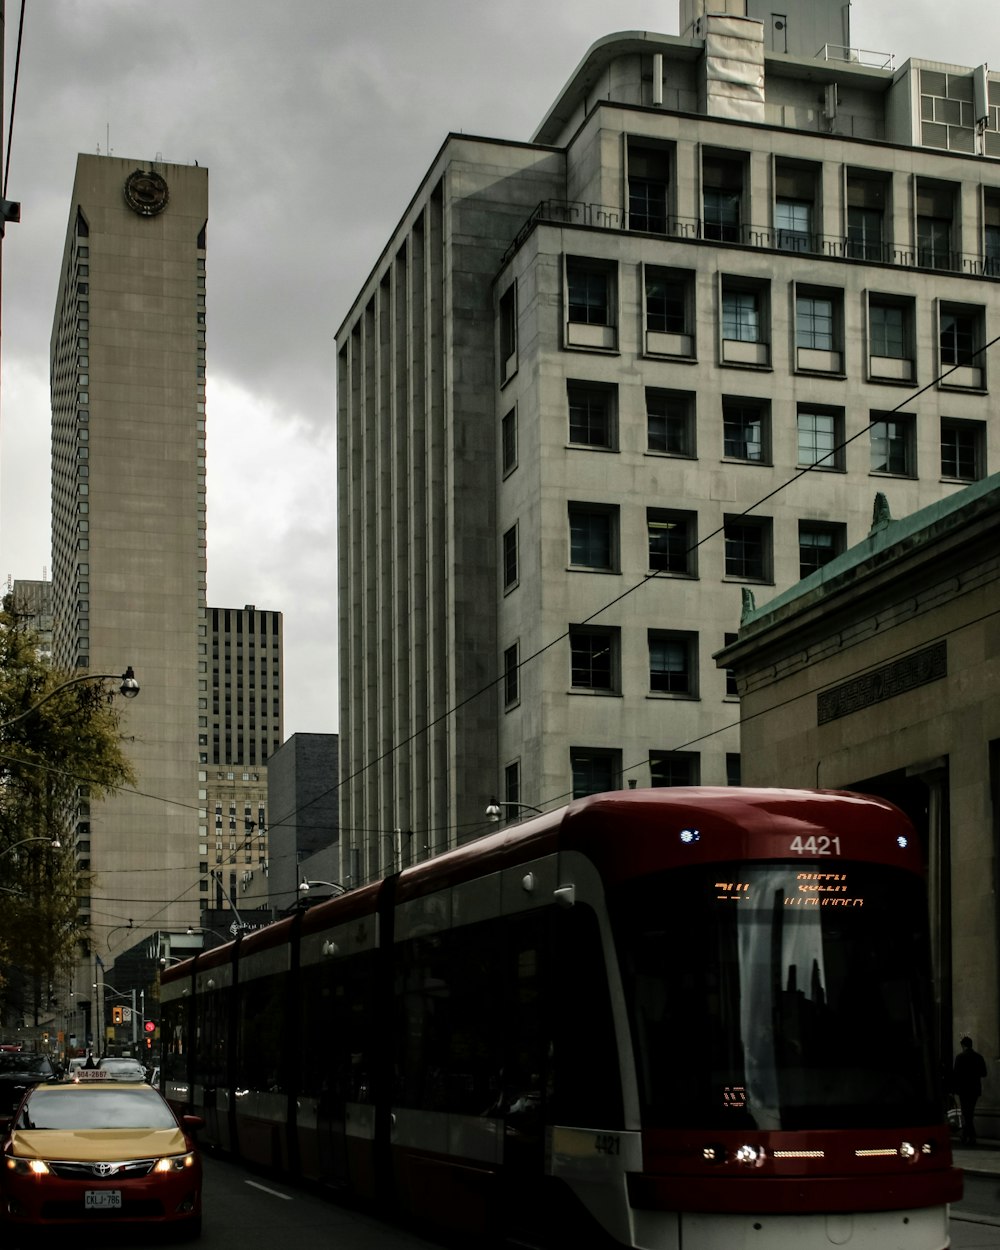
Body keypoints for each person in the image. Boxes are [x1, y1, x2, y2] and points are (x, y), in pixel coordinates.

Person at [953, 1035, 988, 1146]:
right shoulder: (979, 1057)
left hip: (963, 1089)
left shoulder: (960, 1057)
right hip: (974, 1089)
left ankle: (969, 1136)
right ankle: (967, 1136)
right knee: (970, 1113)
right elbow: (984, 1073)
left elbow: (956, 1074)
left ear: (963, 1045)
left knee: (966, 1113)